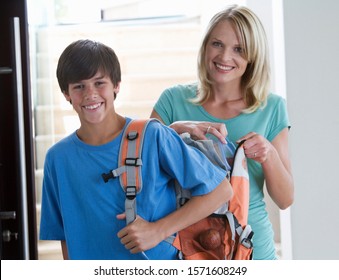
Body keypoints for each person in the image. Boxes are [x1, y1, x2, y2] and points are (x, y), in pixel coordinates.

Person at [39, 39, 233, 260]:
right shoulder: (57, 159)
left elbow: (221, 191)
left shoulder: (153, 136)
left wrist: (157, 230)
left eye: (99, 83)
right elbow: (65, 236)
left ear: (116, 85)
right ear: (66, 93)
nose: (90, 94)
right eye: (79, 86)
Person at [150, 5, 294, 260]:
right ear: (205, 46)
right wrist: (174, 130)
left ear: (253, 57)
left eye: (239, 49)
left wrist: (269, 154)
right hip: (185, 250)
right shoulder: (172, 101)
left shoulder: (272, 108)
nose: (225, 56)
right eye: (217, 44)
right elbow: (146, 172)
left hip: (252, 251)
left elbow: (285, 199)